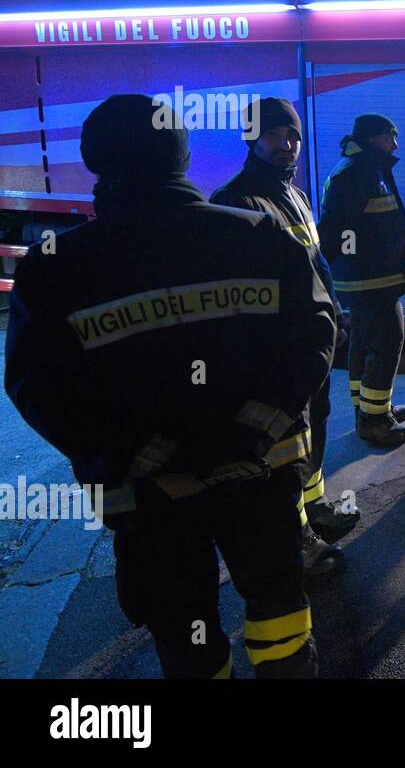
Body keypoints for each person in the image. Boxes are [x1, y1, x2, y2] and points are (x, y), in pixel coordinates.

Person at [5, 94, 336, 677]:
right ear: (181, 156)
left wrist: (130, 448)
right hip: (258, 474)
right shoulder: (259, 237)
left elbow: (39, 387)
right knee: (278, 607)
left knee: (186, 630)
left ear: (94, 159)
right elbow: (312, 337)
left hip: (148, 496)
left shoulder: (53, 269)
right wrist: (251, 430)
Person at [210, 98, 359, 573]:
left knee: (315, 428)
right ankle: (294, 540)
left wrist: (335, 314)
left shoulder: (292, 193)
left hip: (310, 345)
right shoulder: (237, 202)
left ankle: (314, 509)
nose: (286, 144)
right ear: (252, 140)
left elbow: (315, 268)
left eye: (292, 135)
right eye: (274, 135)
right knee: (285, 449)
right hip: (279, 354)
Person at [319, 114, 405, 447]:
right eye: (390, 137)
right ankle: (375, 422)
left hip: (369, 279)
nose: (395, 145)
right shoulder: (355, 173)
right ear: (373, 138)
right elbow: (333, 231)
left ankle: (371, 408)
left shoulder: (366, 167)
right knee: (387, 342)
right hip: (370, 280)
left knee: (364, 344)